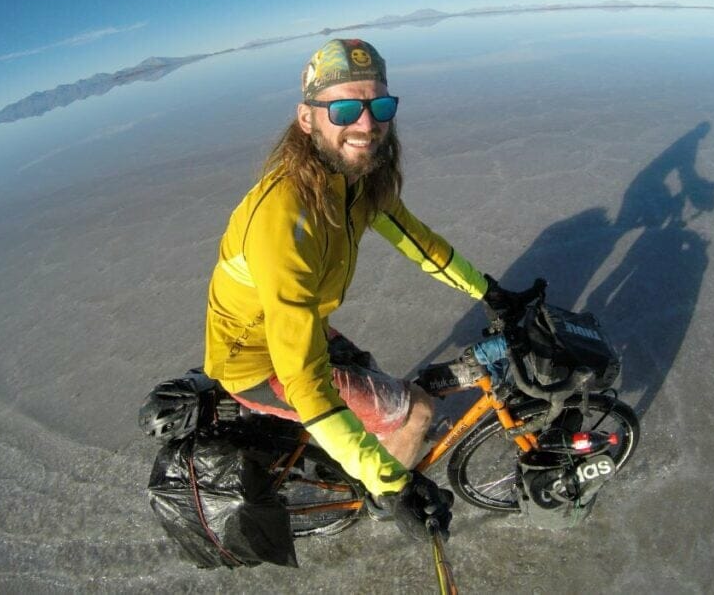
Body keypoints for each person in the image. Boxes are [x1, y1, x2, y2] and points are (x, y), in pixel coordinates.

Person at [202, 38, 515, 540]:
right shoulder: (286, 218)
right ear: (307, 119)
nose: (367, 125)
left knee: (368, 374)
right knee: (415, 412)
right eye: (345, 107)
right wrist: (393, 486)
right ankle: (374, 500)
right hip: (258, 362)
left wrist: (491, 292)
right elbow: (302, 380)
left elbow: (415, 239)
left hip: (300, 330)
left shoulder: (352, 180)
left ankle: (358, 456)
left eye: (380, 106)